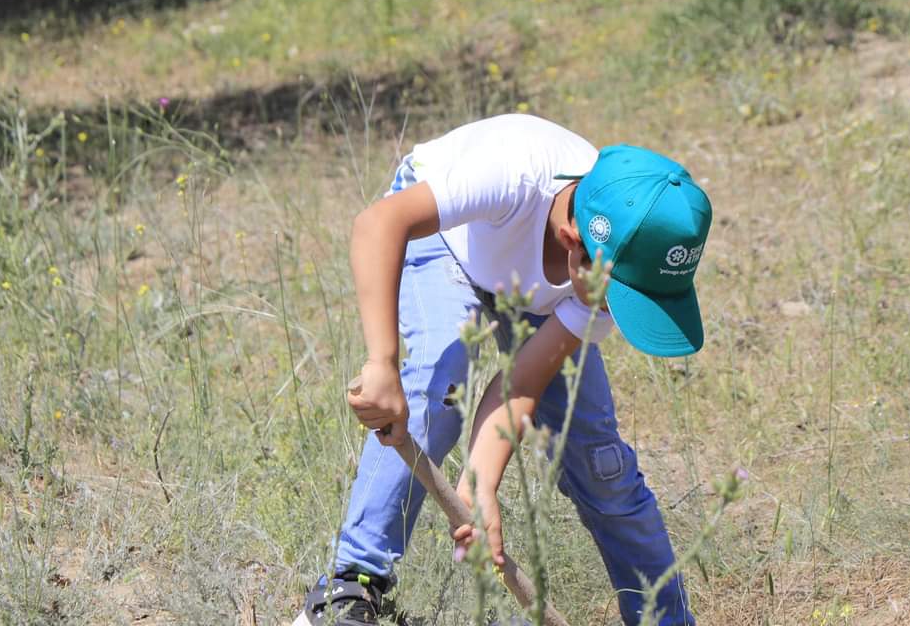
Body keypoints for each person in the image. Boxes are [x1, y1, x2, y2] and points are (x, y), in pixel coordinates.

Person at [293, 114, 712, 626]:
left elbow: (521, 382)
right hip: (450, 237)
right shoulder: (512, 175)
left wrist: (479, 485)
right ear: (572, 238)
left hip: (538, 284)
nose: (619, 310)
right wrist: (382, 363)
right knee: (439, 387)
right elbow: (379, 223)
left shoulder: (609, 273)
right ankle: (350, 585)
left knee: (603, 466)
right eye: (621, 295)